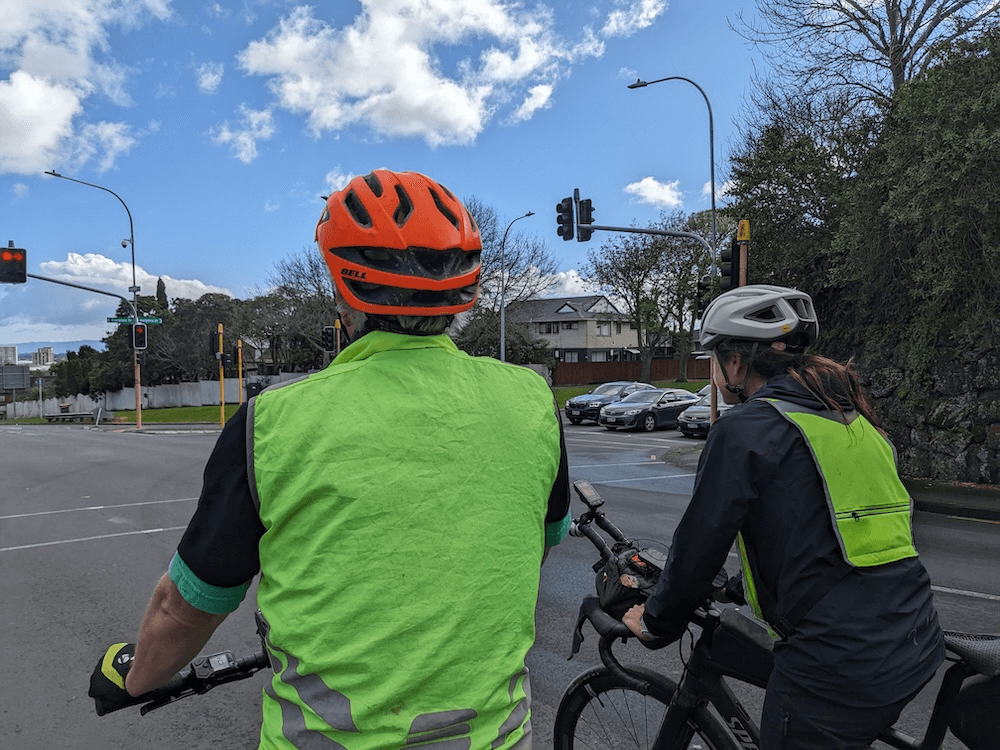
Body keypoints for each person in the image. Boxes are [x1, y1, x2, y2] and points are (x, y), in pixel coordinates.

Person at [89, 169, 571, 749]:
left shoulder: (271, 423)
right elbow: (532, 545)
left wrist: (137, 677)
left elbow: (184, 608)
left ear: (344, 295)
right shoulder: (532, 402)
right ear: (461, 293)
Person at [622, 284, 944, 750]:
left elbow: (698, 546)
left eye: (712, 357)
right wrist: (738, 587)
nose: (713, 371)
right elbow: (825, 539)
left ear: (735, 362)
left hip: (837, 666)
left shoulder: (745, 429)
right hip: (915, 639)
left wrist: (656, 622)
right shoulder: (853, 420)